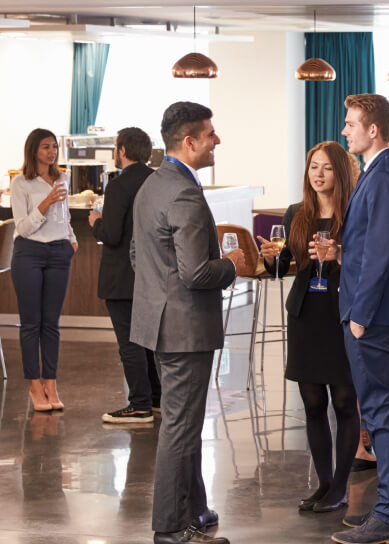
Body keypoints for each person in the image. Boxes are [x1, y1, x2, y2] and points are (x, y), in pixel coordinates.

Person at [132, 102, 246, 544]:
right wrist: (233, 263)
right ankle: (170, 528)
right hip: (183, 328)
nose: (217, 140)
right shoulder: (183, 192)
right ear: (189, 141)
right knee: (180, 427)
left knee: (186, 421)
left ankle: (194, 509)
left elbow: (140, 257)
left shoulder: (153, 184)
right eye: (211, 134)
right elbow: (197, 273)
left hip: (159, 323)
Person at [331, 93, 389, 544]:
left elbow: (383, 250)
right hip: (374, 311)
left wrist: (360, 315)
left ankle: (386, 516)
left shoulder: (383, 174)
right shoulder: (379, 171)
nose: (345, 130)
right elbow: (368, 244)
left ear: (373, 130)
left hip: (372, 315)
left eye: (351, 124)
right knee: (381, 409)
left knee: (381, 411)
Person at [257, 142, 359, 514]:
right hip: (305, 313)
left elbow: (368, 263)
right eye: (313, 167)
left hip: (342, 312)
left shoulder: (354, 212)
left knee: (345, 401)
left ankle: (342, 485)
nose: (318, 174)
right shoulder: (296, 213)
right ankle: (326, 483)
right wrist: (272, 259)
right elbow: (288, 266)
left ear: (340, 173)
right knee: (313, 403)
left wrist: (340, 254)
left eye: (327, 168)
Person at [90, 127, 159, 424]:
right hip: (151, 275)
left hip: (121, 277)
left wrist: (96, 222)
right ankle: (156, 400)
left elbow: (113, 234)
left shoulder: (119, 186)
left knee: (129, 343)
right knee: (149, 341)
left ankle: (139, 405)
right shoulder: (157, 181)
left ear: (122, 150)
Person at [10, 128, 78, 412]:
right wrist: (46, 202)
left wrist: (71, 239)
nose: (51, 152)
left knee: (51, 323)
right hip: (30, 253)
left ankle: (51, 383)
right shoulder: (21, 183)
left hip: (59, 252)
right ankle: (34, 385)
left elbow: (65, 215)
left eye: (53, 147)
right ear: (33, 151)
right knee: (31, 323)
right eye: (45, 147)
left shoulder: (63, 177)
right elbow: (23, 227)